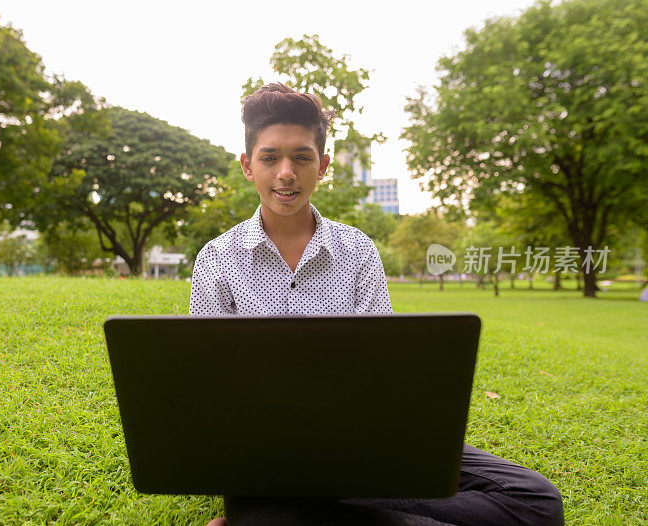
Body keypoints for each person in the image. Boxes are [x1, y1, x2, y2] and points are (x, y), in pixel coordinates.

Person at [190, 83, 564, 525]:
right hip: (268, 455)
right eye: (270, 157)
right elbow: (211, 392)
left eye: (302, 157)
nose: (286, 172)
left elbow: (382, 370)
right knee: (271, 502)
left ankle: (298, 514)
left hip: (363, 440)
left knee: (536, 500)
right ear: (248, 166)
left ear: (323, 166)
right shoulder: (215, 259)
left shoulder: (359, 250)